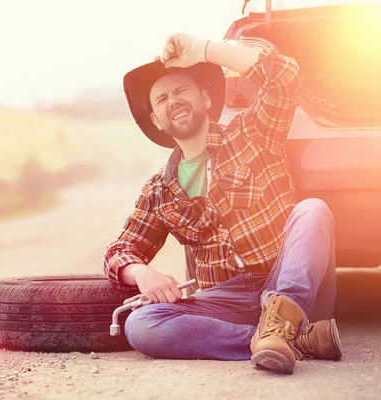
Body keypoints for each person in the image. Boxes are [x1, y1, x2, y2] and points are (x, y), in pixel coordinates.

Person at [103, 33, 342, 374]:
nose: (174, 100)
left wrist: (202, 51)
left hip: (287, 283)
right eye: (162, 98)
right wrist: (143, 273)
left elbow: (283, 76)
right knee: (141, 325)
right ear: (157, 119)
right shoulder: (159, 190)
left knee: (312, 209)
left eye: (181, 90)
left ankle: (284, 323)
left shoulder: (251, 134)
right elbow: (119, 250)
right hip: (226, 300)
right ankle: (283, 340)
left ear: (204, 98)